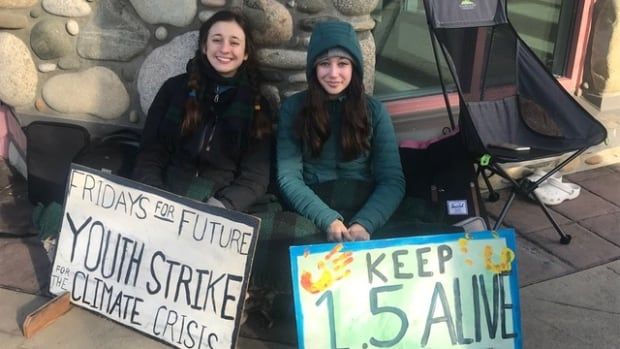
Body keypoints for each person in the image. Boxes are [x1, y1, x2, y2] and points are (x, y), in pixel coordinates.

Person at [276, 20, 405, 242]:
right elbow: (288, 177)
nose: (334, 73)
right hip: (313, 206)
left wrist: (365, 222)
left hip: (364, 203)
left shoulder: (375, 111)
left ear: (354, 67)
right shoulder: (293, 108)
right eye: (325, 63)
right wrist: (328, 219)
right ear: (314, 67)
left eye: (342, 63)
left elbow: (392, 180)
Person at [133, 10, 272, 211]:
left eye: (234, 42)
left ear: (245, 53)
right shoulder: (173, 90)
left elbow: (255, 176)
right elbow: (150, 153)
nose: (225, 49)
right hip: (169, 191)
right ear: (204, 47)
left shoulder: (257, 105)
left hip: (222, 200)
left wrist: (223, 205)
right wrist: (157, 196)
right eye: (217, 40)